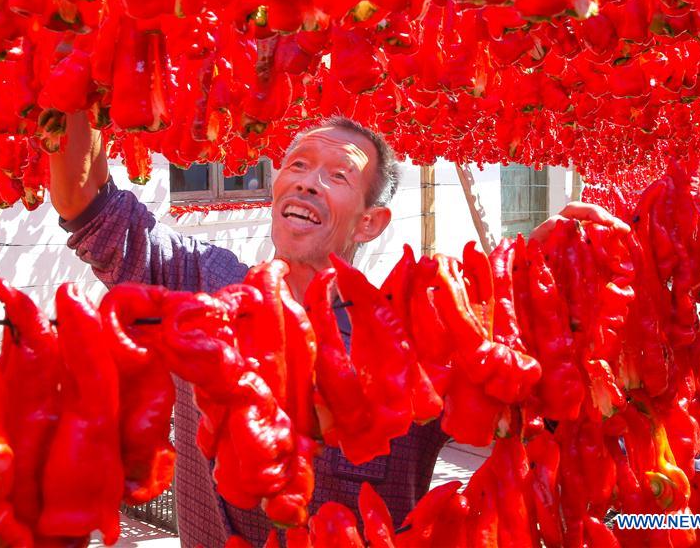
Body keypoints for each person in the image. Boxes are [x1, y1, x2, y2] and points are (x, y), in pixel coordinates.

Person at [50, 111, 628, 547]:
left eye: (336, 176)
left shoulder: (408, 334)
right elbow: (90, 209)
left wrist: (557, 276)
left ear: (371, 222)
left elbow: (533, 415)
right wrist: (83, 84)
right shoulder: (204, 280)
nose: (305, 182)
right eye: (297, 165)